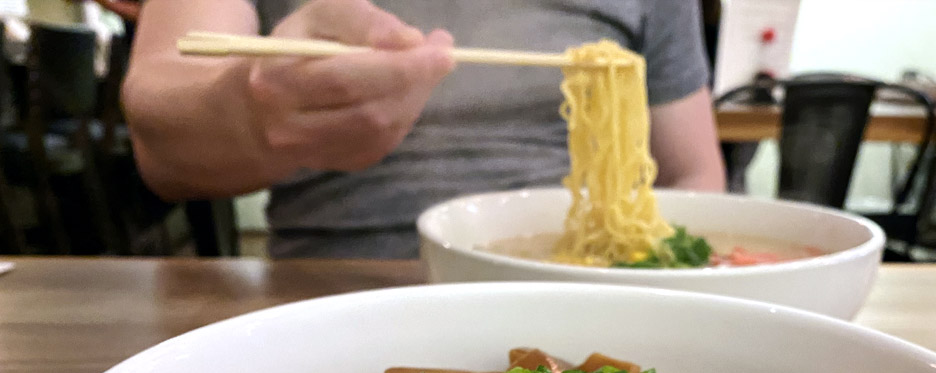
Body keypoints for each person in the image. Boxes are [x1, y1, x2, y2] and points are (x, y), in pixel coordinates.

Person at [123, 0, 725, 258]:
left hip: (585, 278)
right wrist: (254, 112)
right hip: (338, 284)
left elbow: (692, 172)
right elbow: (158, 139)